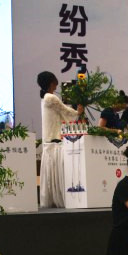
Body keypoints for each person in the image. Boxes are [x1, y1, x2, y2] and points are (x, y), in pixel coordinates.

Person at [38, 70, 84, 208]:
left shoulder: (47, 97)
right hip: (54, 140)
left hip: (51, 139)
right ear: (52, 82)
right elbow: (66, 111)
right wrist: (78, 112)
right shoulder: (51, 98)